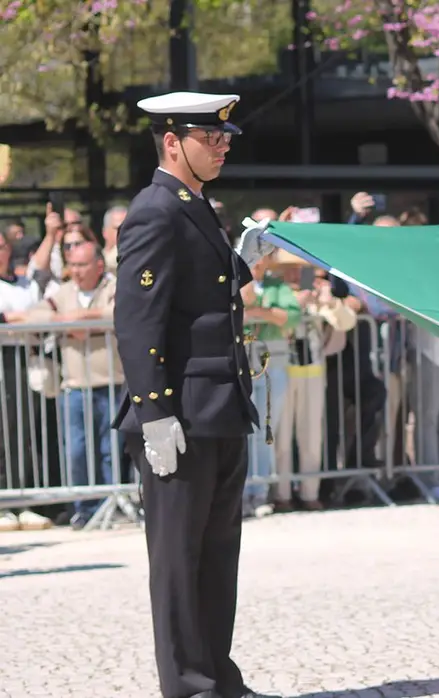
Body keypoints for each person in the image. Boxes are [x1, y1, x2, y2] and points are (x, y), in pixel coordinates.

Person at [112, 91, 277, 698]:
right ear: (172, 142)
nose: (223, 146)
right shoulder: (155, 210)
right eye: (211, 137)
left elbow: (201, 296)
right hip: (179, 411)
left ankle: (217, 678)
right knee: (180, 563)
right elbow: (139, 321)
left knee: (216, 556)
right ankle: (188, 685)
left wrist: (242, 262)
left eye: (225, 137)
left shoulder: (195, 205)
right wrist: (155, 412)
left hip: (218, 406)